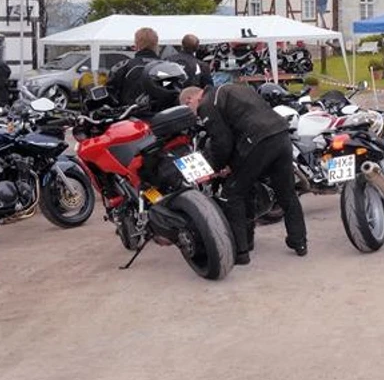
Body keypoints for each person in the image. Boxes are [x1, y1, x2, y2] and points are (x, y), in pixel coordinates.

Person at [180, 84, 307, 265]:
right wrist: (232, 163)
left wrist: (218, 167)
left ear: (189, 100)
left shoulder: (207, 103)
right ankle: (299, 242)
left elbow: (221, 141)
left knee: (232, 194)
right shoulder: (232, 88)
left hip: (257, 140)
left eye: (190, 111)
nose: (195, 115)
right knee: (286, 193)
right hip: (280, 133)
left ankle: (241, 251)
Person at [105, 27, 162, 113]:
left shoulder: (123, 66)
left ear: (136, 44)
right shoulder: (167, 67)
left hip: (130, 118)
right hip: (162, 118)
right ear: (156, 44)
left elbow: (110, 94)